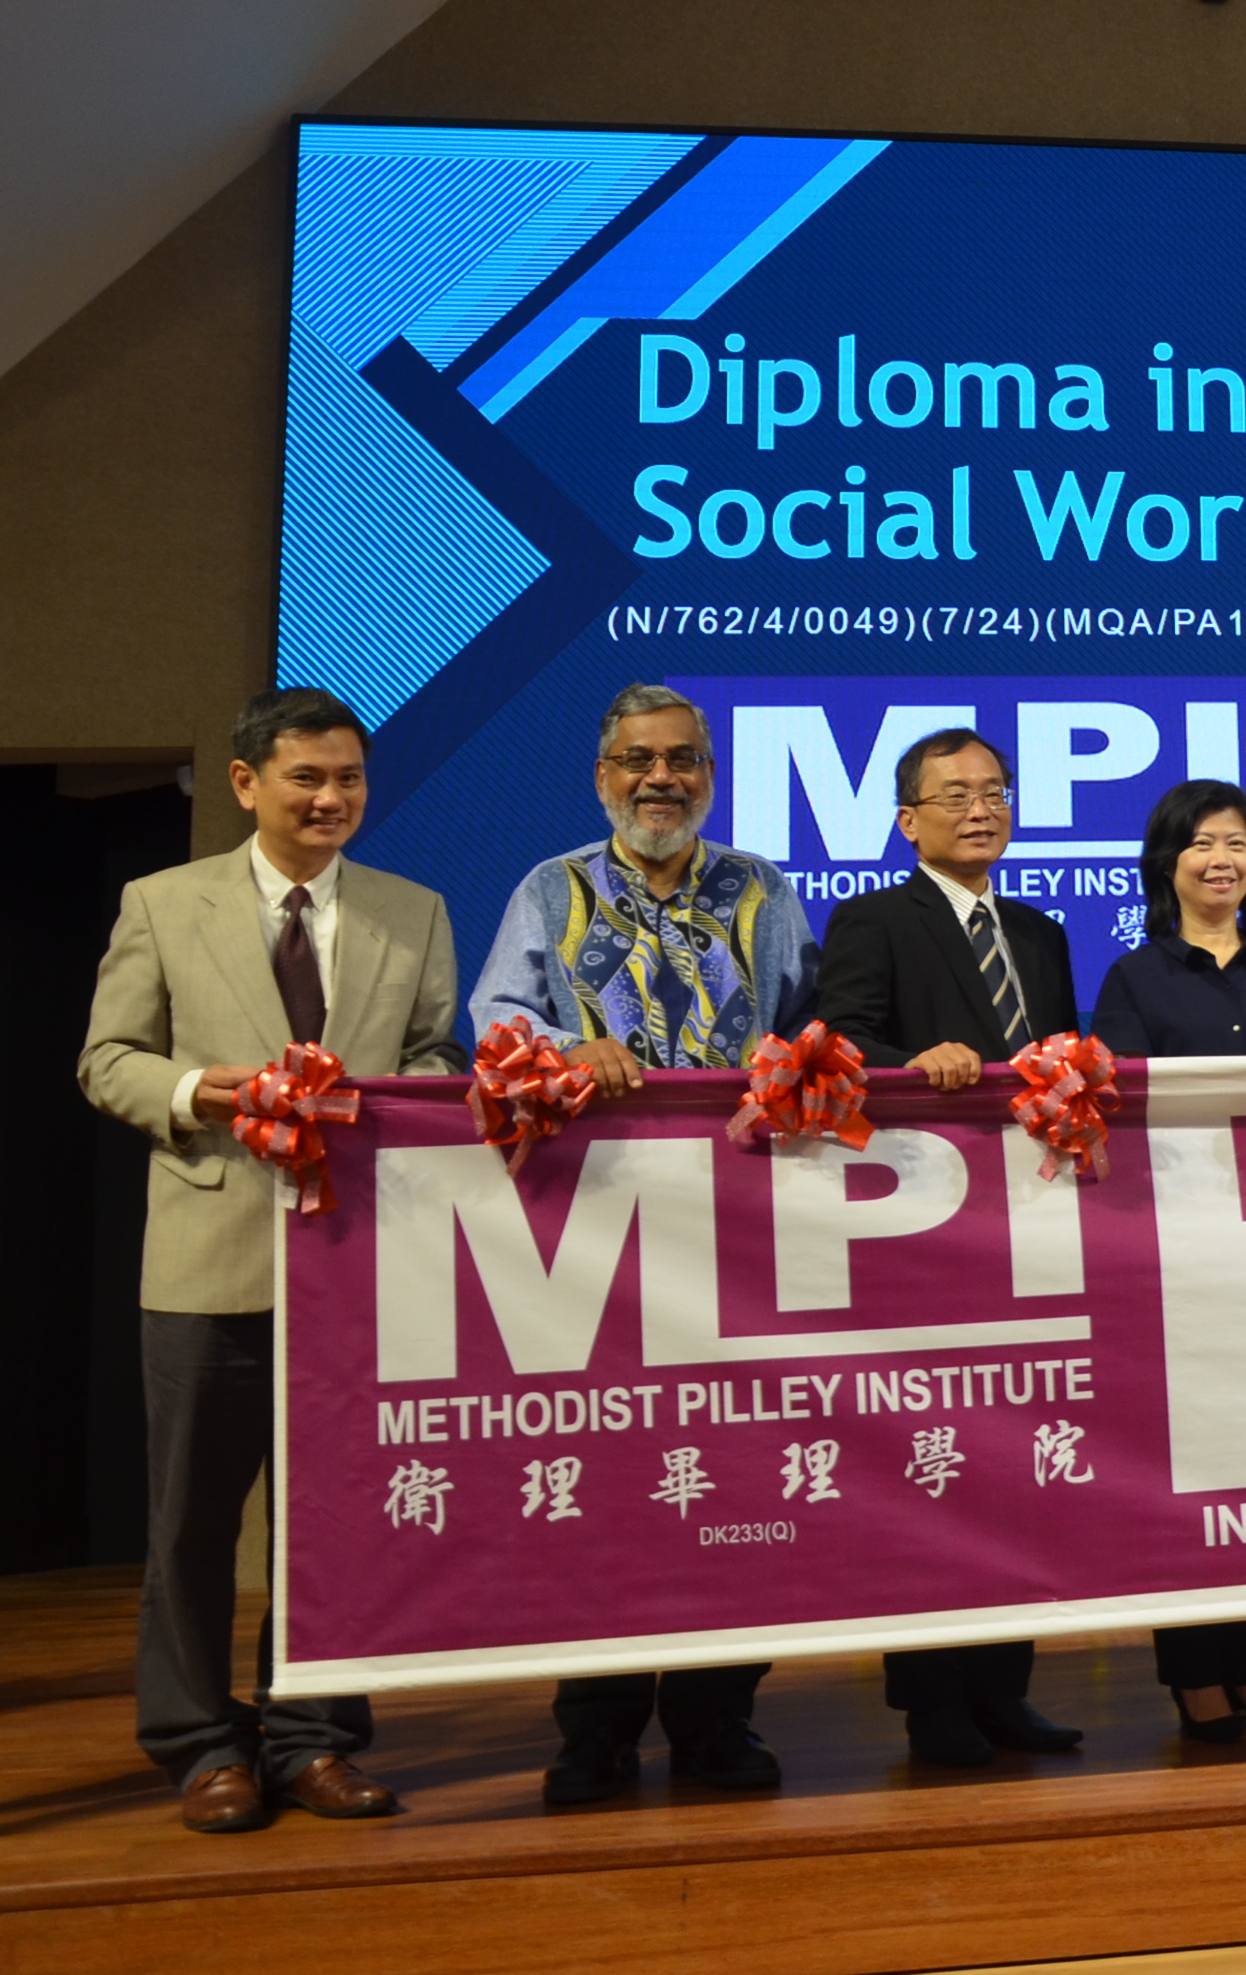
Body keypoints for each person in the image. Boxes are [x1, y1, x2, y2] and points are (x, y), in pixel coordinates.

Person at [79, 687, 464, 1835]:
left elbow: (434, 1053)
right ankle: (203, 1745)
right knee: (191, 1523)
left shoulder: (414, 909)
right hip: (211, 1256)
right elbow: (108, 1059)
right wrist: (202, 1092)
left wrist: (405, 1099)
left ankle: (313, 1739)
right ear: (247, 784)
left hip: (358, 1259)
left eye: (349, 778)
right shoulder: (162, 902)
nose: (331, 798)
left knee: (338, 1522)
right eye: (307, 778)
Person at [473, 683, 813, 1806]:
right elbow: (494, 1021)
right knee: (611, 1477)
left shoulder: (764, 889)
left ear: (709, 773)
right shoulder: (550, 889)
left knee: (735, 1471)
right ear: (601, 775)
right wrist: (569, 1047)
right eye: (637, 760)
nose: (659, 778)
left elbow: (810, 1029)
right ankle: (597, 1730)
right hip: (593, 1225)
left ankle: (718, 1720)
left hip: (738, 1222)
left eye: (681, 759)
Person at [813, 725, 1088, 1768]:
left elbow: (1059, 1063)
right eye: (957, 794)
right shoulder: (874, 918)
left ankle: (1003, 1690)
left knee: (1015, 1466)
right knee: (931, 1465)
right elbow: (838, 1041)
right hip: (918, 1220)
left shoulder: (1042, 933)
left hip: (1029, 1222)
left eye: (996, 790)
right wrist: (909, 1060)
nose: (982, 808)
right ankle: (931, 1702)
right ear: (907, 820)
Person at [1094, 780, 1246, 1743]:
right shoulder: (1133, 979)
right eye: (1201, 845)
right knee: (1191, 1472)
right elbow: (1121, 1109)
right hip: (1177, 1248)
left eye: (1237, 844)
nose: (1221, 860)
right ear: (1168, 863)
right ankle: (1194, 1677)